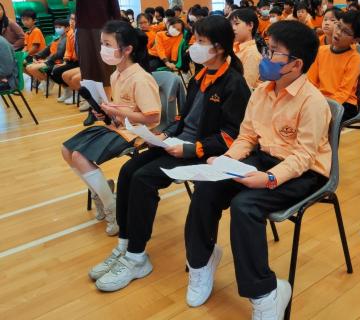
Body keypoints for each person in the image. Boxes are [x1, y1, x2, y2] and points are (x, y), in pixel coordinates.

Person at [183, 19, 330, 320]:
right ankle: (201, 262)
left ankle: (266, 293)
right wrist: (226, 161)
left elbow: (304, 156)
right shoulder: (262, 91)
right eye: (266, 48)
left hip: (304, 173)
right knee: (207, 185)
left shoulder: (312, 102)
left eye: (273, 52)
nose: (265, 56)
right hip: (264, 159)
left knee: (245, 206)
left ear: (296, 64)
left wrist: (270, 179)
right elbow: (247, 137)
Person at [91, 15, 250, 292]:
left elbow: (230, 135)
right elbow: (183, 118)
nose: (193, 46)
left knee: (143, 179)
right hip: (178, 143)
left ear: (219, 47)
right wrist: (164, 136)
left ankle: (137, 258)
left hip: (203, 153)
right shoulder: (200, 76)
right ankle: (125, 244)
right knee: (128, 171)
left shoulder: (234, 84)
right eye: (194, 40)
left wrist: (192, 148)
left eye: (200, 41)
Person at [61, 20, 160, 236]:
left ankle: (112, 209)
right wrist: (106, 112)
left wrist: (118, 112)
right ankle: (101, 190)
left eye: (108, 44)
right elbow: (120, 109)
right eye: (102, 44)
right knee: (66, 149)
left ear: (127, 49)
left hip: (137, 132)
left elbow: (153, 117)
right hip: (119, 127)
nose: (103, 49)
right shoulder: (115, 75)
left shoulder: (141, 78)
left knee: (79, 156)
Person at [64, 0, 120, 91]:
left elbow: (114, 6)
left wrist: (117, 30)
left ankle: (110, 98)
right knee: (87, 67)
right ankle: (94, 101)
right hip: (83, 30)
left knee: (106, 66)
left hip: (104, 29)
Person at [308, 10, 360, 121]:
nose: (339, 32)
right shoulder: (320, 51)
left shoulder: (354, 58)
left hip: (344, 103)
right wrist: (314, 100)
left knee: (316, 120)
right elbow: (311, 82)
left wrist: (324, 106)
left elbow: (344, 92)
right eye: (339, 26)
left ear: (355, 40)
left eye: (346, 31)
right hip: (321, 99)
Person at [25, 17, 69, 90]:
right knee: (28, 67)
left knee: (33, 68)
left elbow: (59, 54)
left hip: (57, 61)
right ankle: (45, 81)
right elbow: (46, 50)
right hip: (50, 60)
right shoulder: (57, 38)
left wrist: (47, 60)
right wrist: (36, 56)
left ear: (67, 28)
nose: (57, 29)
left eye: (59, 27)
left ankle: (49, 81)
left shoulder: (67, 39)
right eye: (56, 27)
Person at [230, 8, 262, 89]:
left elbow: (245, 86)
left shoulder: (252, 54)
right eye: (231, 25)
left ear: (250, 25)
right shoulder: (235, 46)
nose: (233, 28)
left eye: (236, 23)